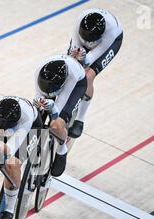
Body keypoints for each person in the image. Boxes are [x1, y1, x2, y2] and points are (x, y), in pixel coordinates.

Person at [0, 96, 42, 219]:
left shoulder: (26, 118)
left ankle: (9, 209)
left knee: (12, 164)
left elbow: (11, 148)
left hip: (31, 128)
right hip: (6, 128)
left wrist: (2, 148)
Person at [67, 8, 123, 138]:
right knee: (70, 66)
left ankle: (80, 119)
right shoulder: (79, 21)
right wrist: (75, 55)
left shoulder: (110, 32)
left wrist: (84, 59)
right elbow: (74, 49)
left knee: (88, 76)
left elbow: (90, 59)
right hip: (87, 37)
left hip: (110, 42)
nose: (87, 43)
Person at [34, 54, 87, 177]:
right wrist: (39, 104)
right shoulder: (38, 72)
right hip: (50, 85)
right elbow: (37, 100)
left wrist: (51, 107)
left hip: (76, 86)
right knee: (37, 115)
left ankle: (62, 149)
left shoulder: (72, 76)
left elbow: (57, 110)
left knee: (56, 124)